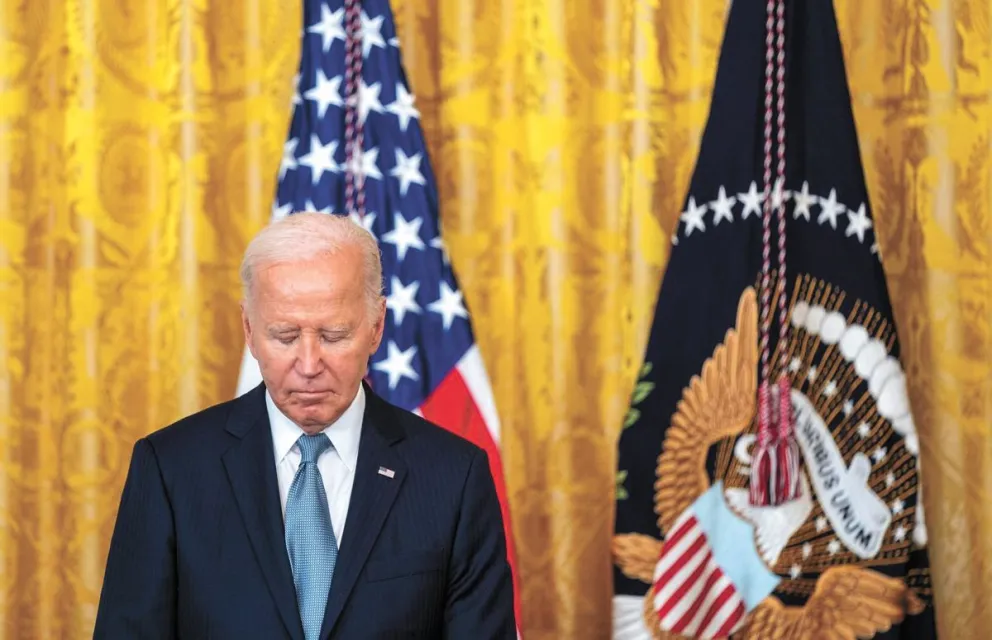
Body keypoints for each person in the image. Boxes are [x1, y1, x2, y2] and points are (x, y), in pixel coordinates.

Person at [93, 212, 516, 639]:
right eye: (284, 336)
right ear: (249, 330)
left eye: (333, 335)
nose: (309, 365)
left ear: (376, 327)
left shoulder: (453, 477)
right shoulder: (170, 470)